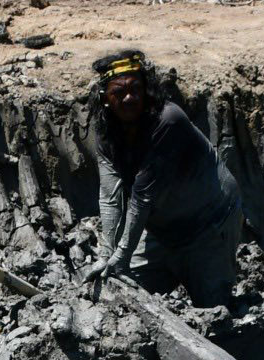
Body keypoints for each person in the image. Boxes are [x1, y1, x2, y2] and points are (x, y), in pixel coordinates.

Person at [80, 50, 244, 308]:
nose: (129, 97)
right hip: (163, 230)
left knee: (215, 309)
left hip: (209, 222)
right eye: (119, 92)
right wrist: (107, 253)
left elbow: (142, 196)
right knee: (123, 288)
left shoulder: (167, 121)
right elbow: (110, 195)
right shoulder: (106, 131)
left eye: (136, 88)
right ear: (105, 98)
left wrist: (121, 254)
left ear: (147, 89)